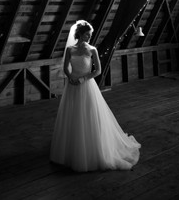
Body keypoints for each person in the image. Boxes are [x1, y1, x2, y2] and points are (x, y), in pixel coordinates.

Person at [50, 19, 140, 172]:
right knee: (73, 115)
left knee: (89, 114)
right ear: (79, 34)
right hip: (72, 85)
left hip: (86, 84)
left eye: (90, 35)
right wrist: (71, 77)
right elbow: (65, 67)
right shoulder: (69, 50)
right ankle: (73, 147)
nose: (89, 38)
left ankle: (92, 147)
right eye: (86, 35)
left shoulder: (92, 49)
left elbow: (97, 70)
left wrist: (83, 79)